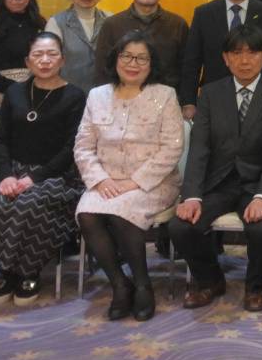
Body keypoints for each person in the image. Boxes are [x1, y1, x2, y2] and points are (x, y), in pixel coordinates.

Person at [171, 24, 262, 312]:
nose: (245, 60)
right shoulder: (210, 93)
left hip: (260, 184)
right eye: (237, 53)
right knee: (181, 226)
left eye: (252, 53)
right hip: (218, 182)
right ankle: (210, 280)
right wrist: (192, 195)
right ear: (226, 58)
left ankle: (255, 285)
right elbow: (199, 148)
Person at [0, 31, 87, 305]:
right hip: (12, 171)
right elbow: (1, 140)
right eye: (38, 55)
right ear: (28, 62)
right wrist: (6, 175)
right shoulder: (15, 92)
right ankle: (5, 272)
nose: (45, 60)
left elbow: (72, 148)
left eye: (52, 54)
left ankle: (28, 272)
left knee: (28, 205)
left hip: (55, 175)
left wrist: (34, 178)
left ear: (62, 60)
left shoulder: (75, 96)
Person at [74, 31, 185, 322]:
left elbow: (172, 147)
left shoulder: (165, 95)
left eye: (141, 58)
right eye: (127, 56)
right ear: (116, 59)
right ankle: (120, 284)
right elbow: (83, 146)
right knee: (87, 214)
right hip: (106, 180)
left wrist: (134, 182)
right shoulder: (97, 96)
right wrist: (100, 180)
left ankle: (143, 284)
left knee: (123, 211)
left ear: (151, 64)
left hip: (154, 182)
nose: (133, 64)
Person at [94, 0, 188, 92]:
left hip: (167, 99)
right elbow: (102, 72)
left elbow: (186, 69)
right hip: (121, 99)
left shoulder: (177, 24)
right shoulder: (112, 25)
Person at [44, 0, 110, 92]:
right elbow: (50, 62)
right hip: (68, 95)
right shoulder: (57, 23)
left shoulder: (110, 20)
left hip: (104, 95)